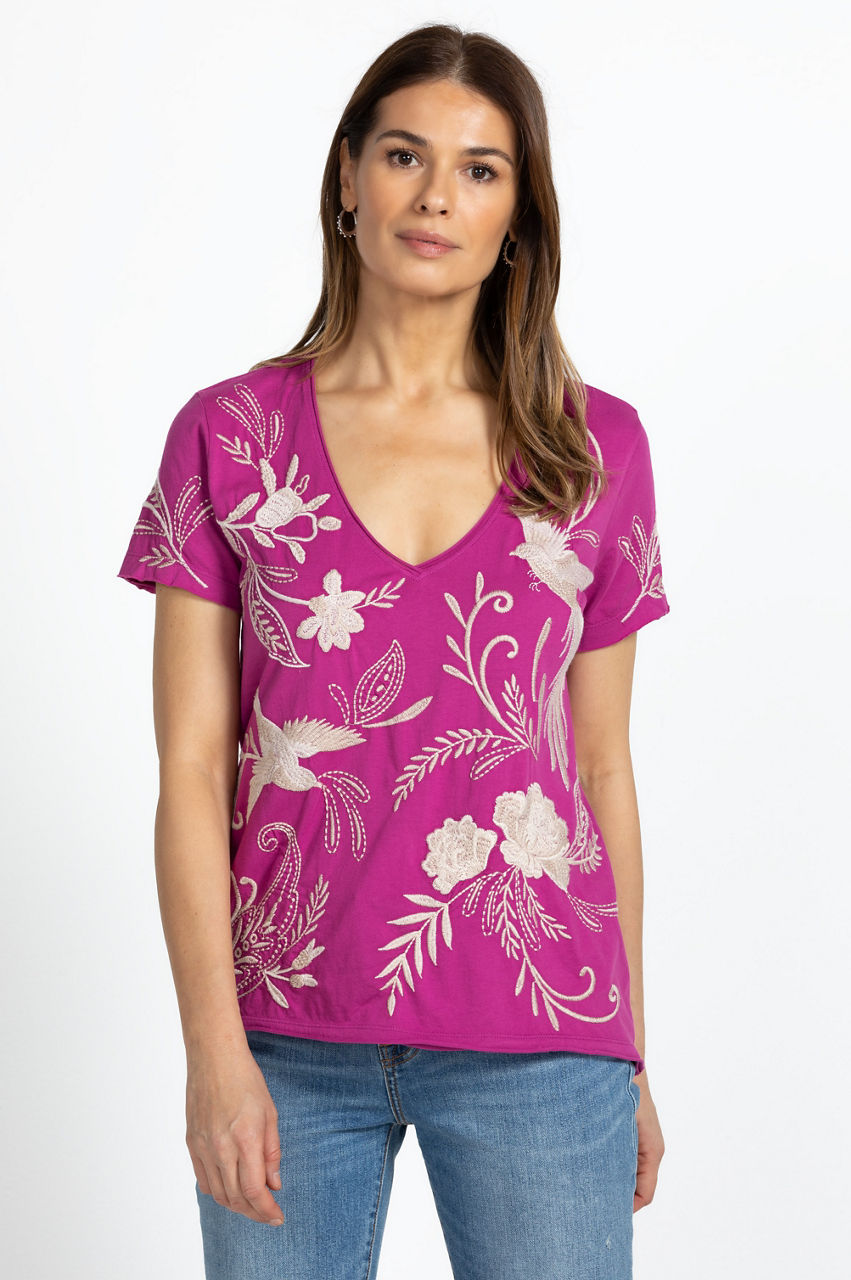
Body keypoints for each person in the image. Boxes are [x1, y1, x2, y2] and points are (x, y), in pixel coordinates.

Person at [116, 22, 671, 1280]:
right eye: (405, 155)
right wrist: (212, 1050)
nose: (435, 196)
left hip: (542, 1032)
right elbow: (190, 767)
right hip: (281, 1040)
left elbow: (602, 768)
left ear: (516, 216)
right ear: (347, 179)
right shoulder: (229, 436)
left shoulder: (594, 450)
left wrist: (630, 1049)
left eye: (480, 169)